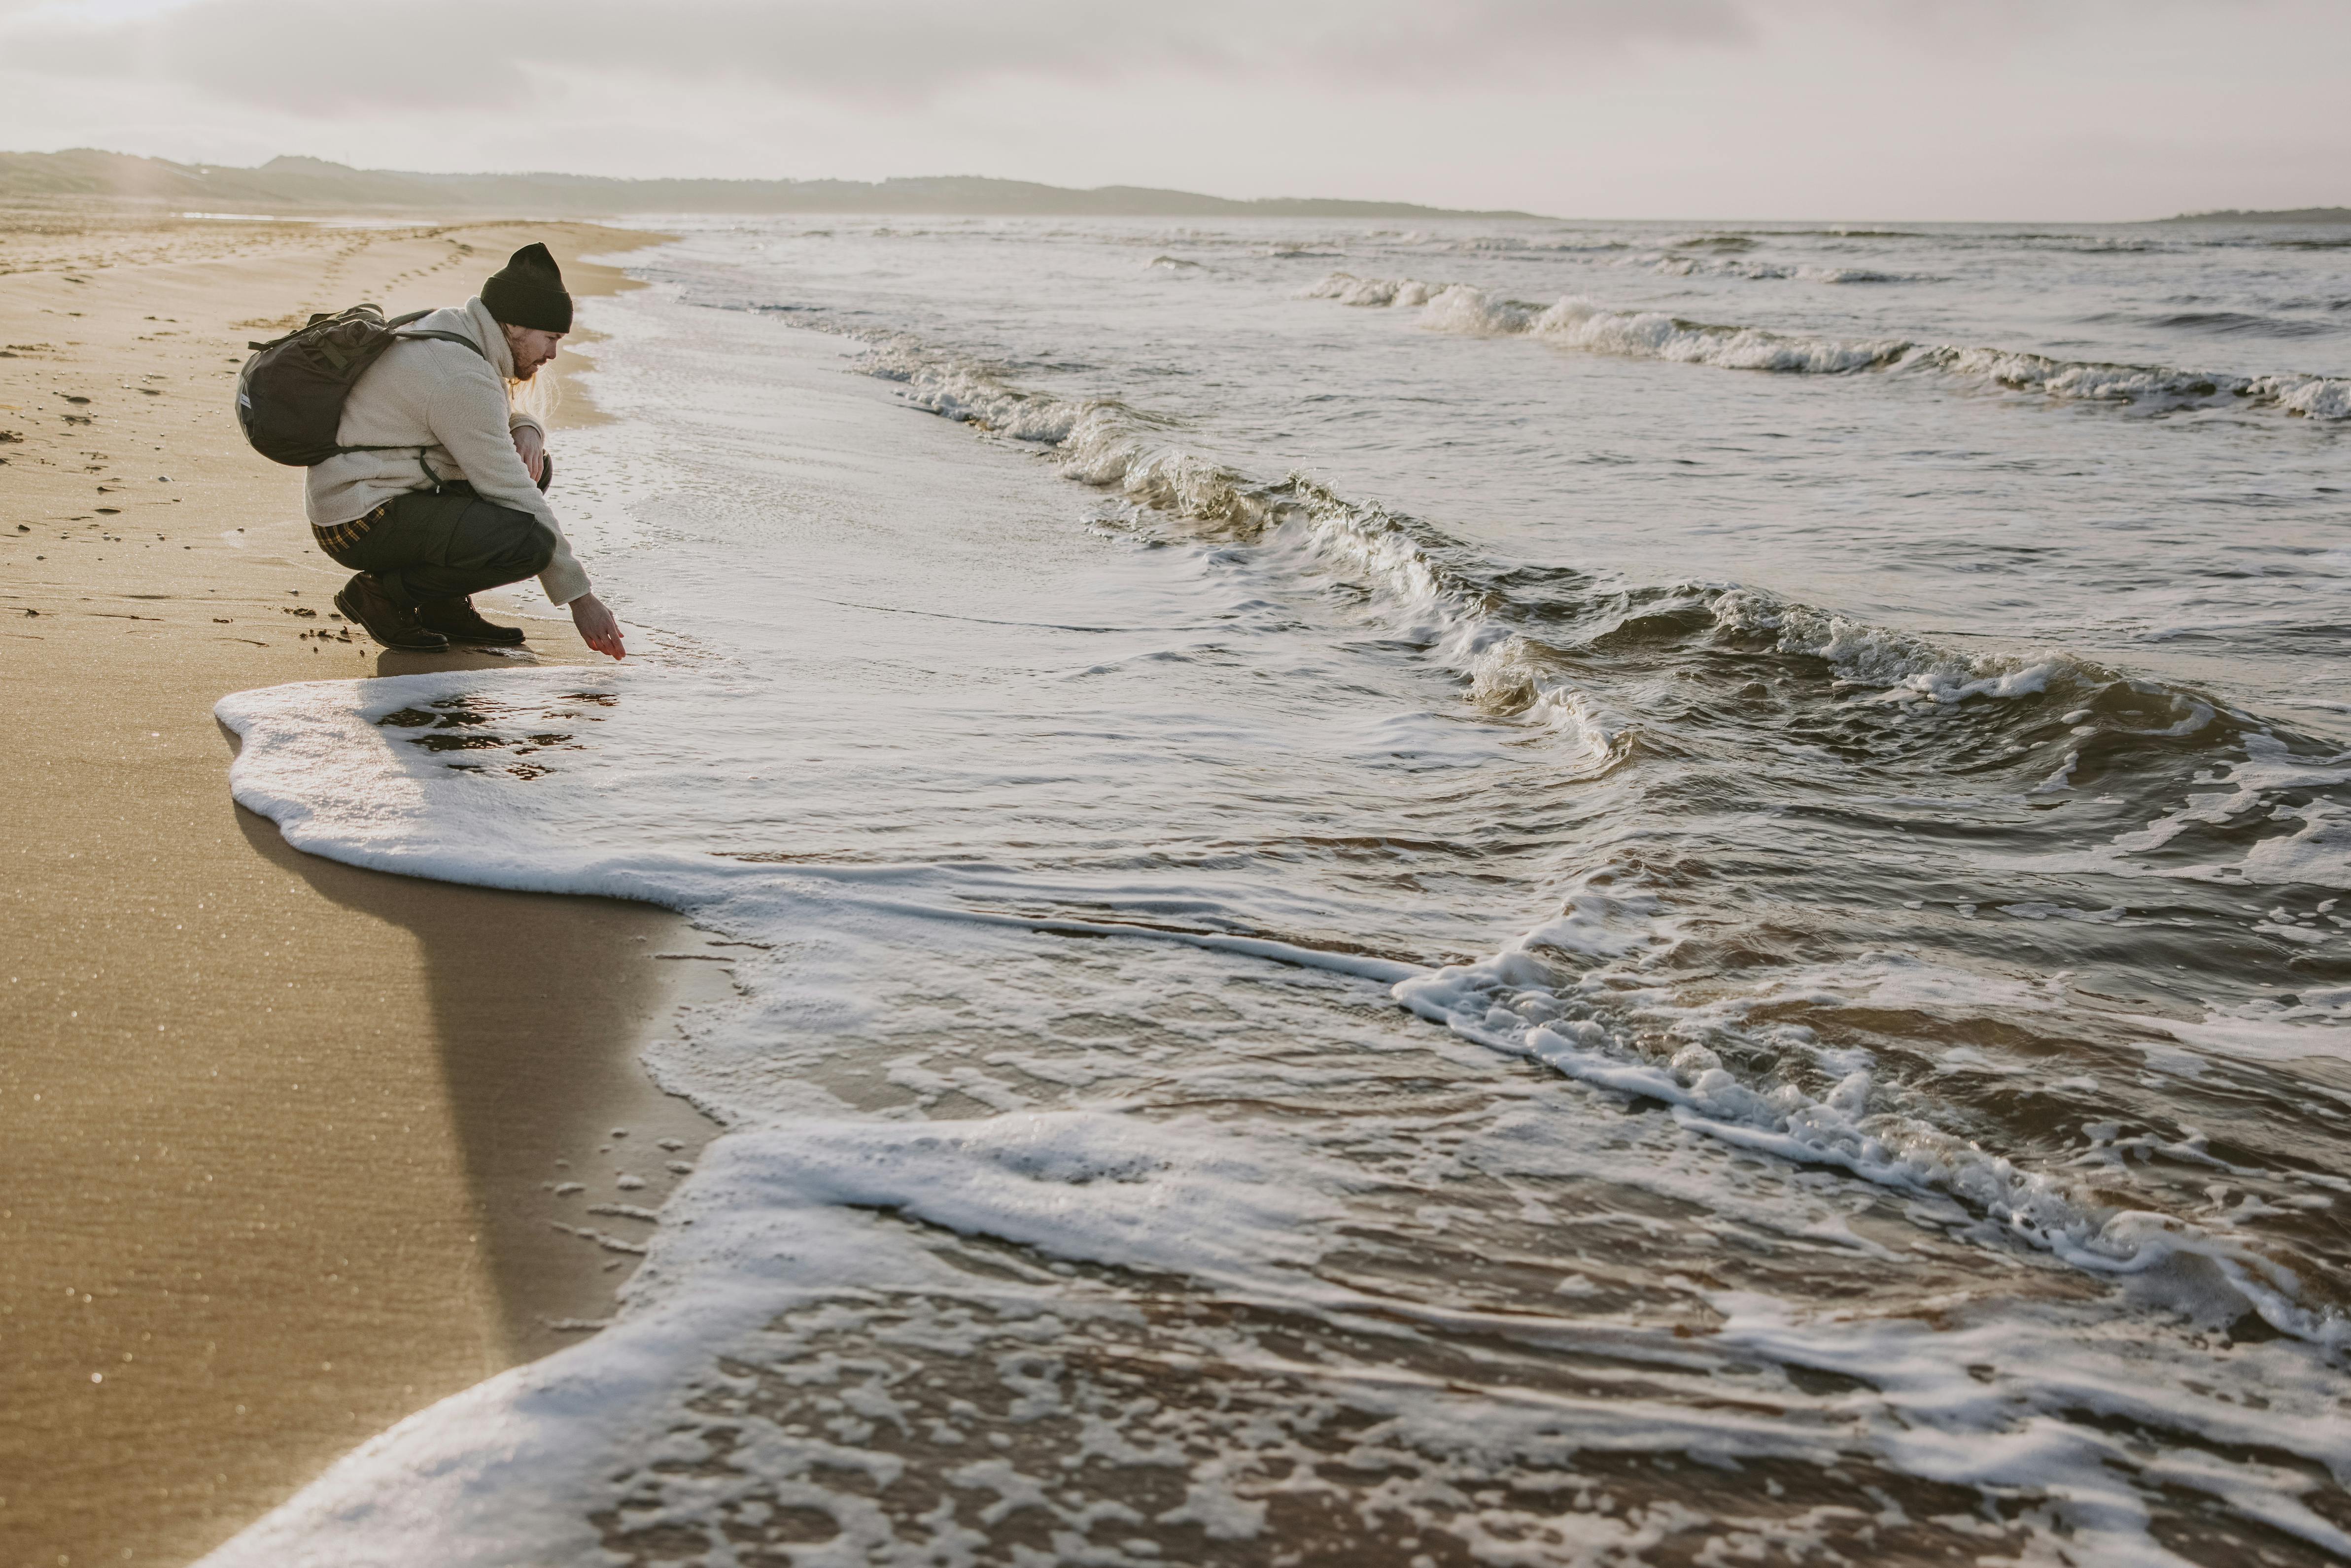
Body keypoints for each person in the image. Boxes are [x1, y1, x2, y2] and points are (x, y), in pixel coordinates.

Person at [305, 242, 625, 657]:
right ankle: (380, 594)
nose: (553, 354)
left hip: (373, 490)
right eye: (550, 338)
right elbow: (509, 487)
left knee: (535, 468)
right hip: (357, 518)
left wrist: (528, 428)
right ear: (515, 325)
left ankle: (443, 605)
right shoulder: (460, 376)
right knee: (529, 543)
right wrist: (582, 599)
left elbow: (479, 417)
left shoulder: (456, 330)